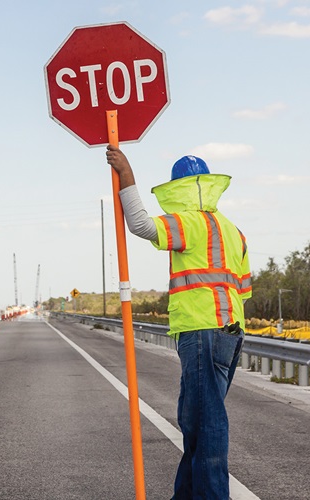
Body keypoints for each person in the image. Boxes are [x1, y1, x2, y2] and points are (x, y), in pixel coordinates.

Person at [106, 144, 252, 500]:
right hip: (229, 331)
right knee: (195, 421)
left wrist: (126, 174)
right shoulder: (233, 230)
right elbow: (244, 289)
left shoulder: (190, 221)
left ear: (179, 188)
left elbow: (141, 224)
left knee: (207, 424)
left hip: (201, 330)